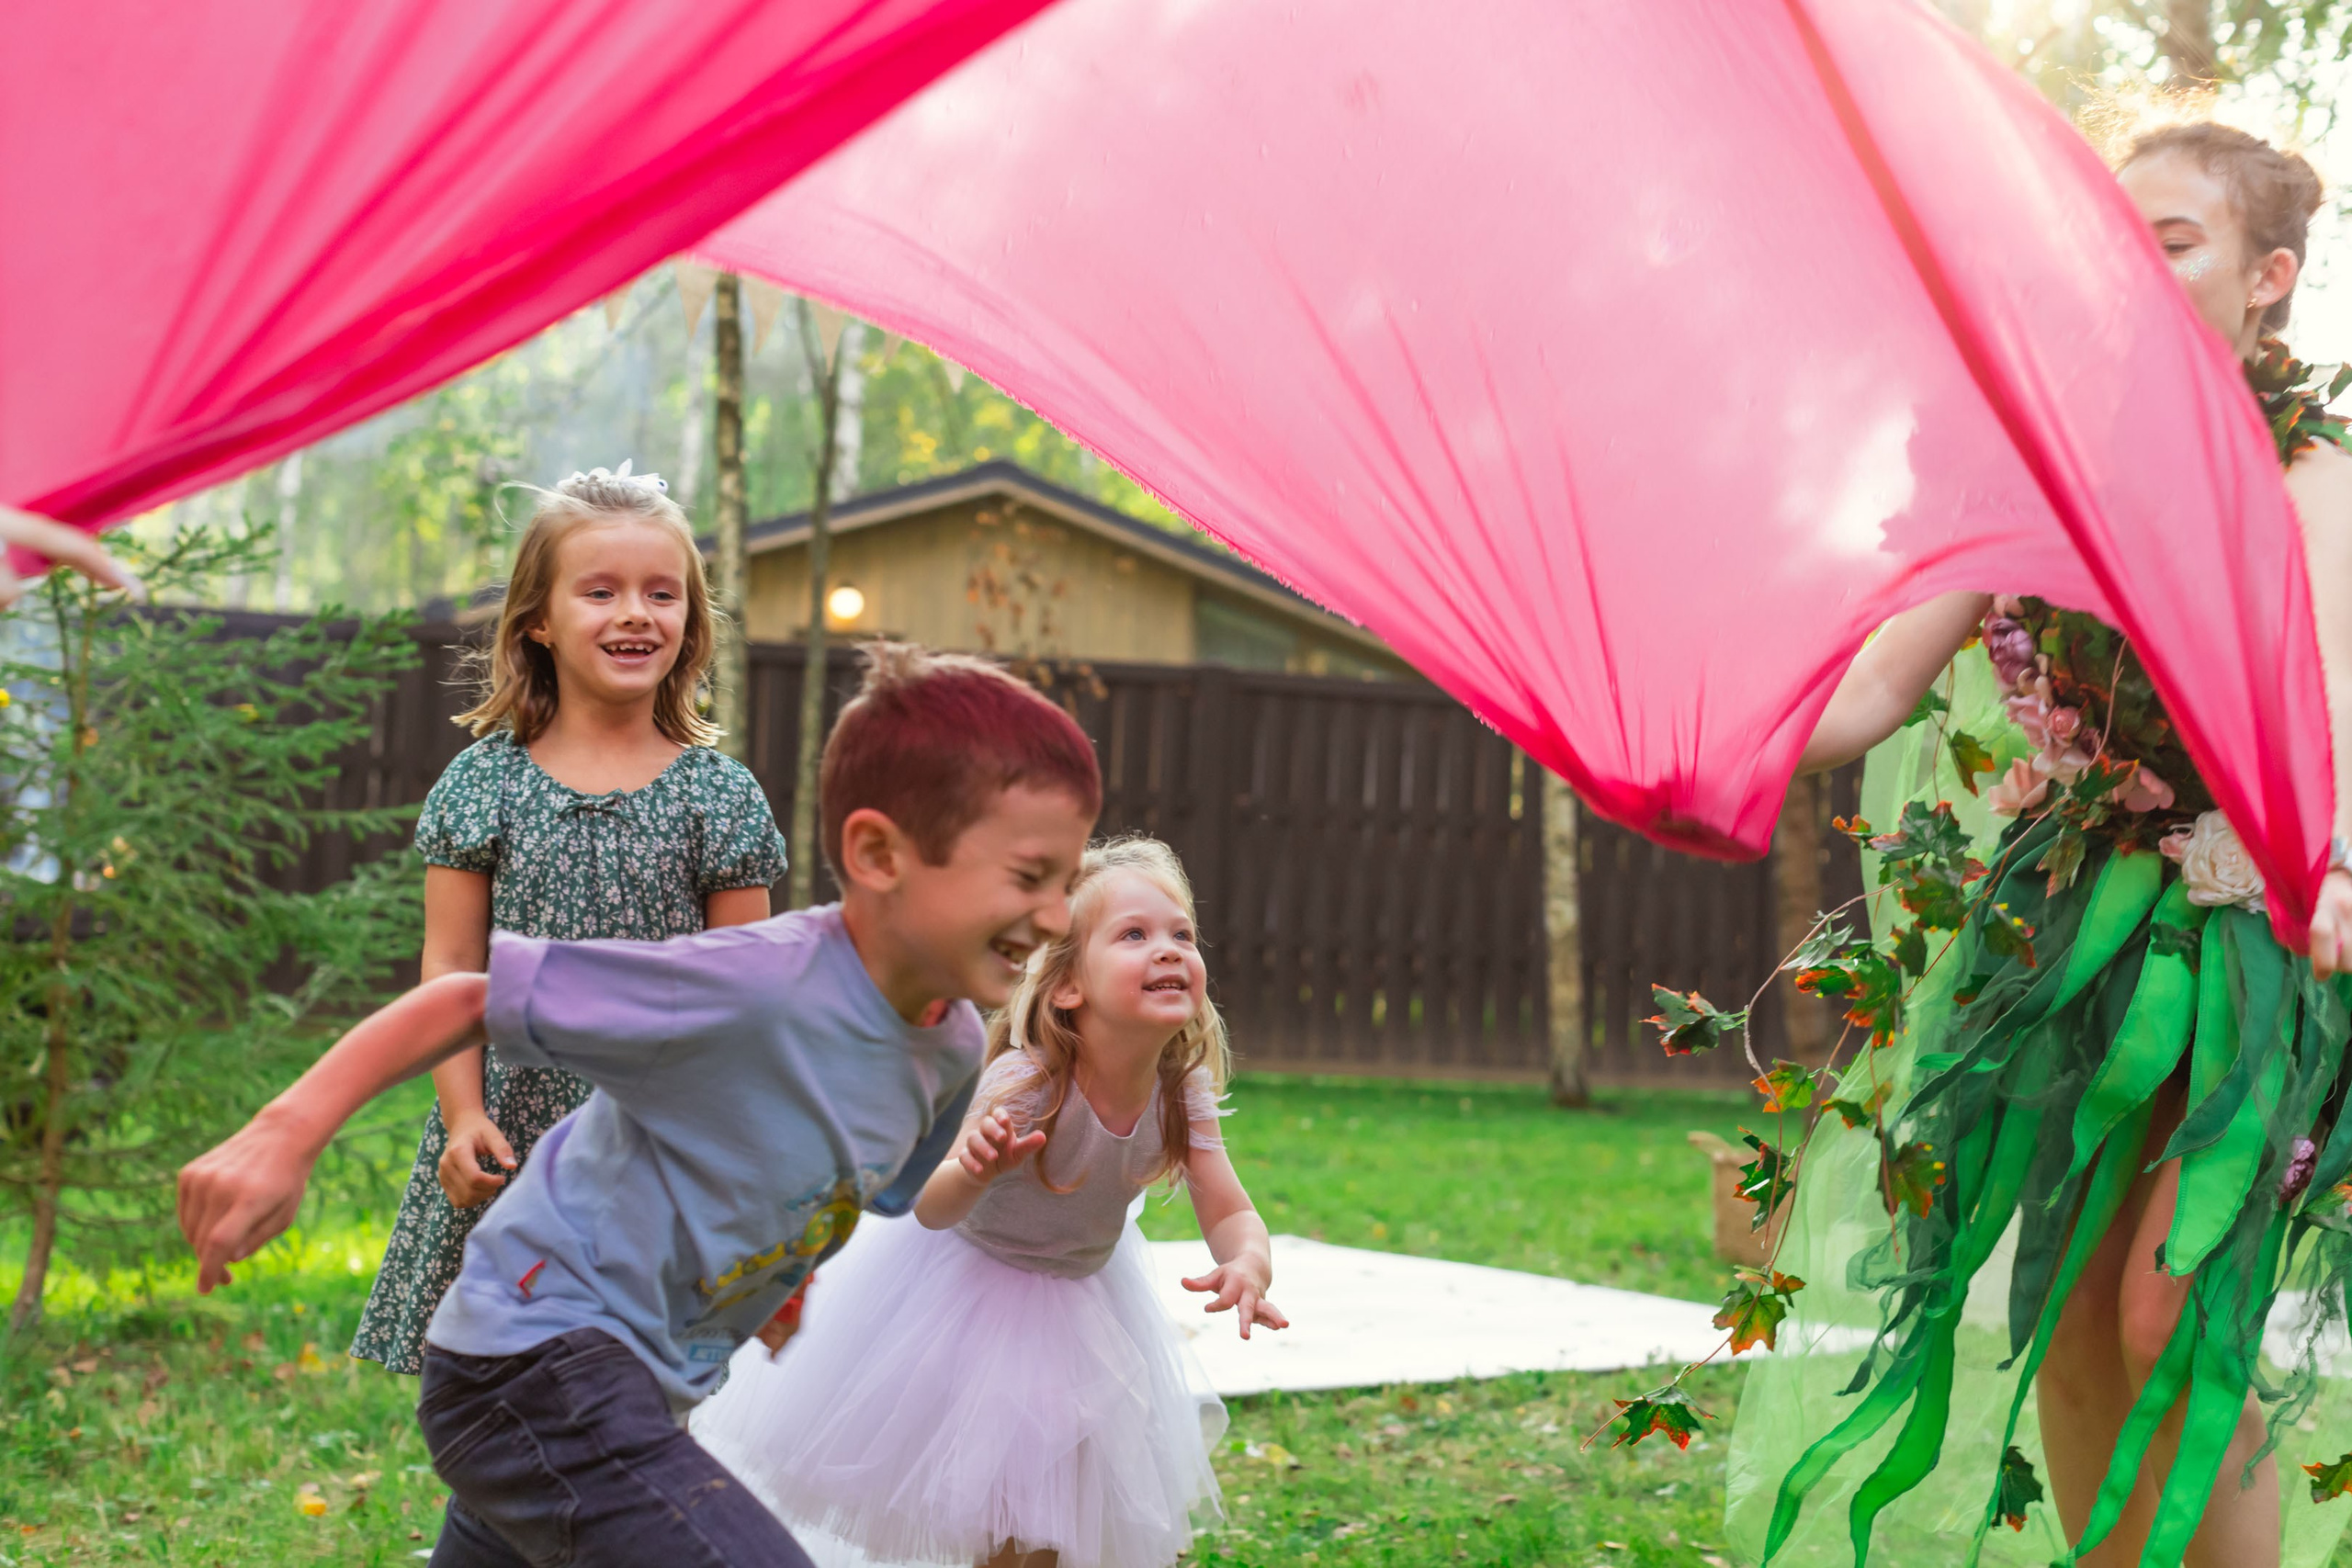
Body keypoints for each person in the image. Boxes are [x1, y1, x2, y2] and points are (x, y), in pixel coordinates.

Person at [1727, 124, 2352, 1568]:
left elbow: (2329, 683)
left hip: (2253, 922)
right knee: (2065, 1309)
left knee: (2168, 1309)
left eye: (2176, 238)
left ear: (2270, 276)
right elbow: (1880, 685)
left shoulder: (2310, 471)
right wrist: (1713, 737)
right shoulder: (2036, 465)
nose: (2130, 263)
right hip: (2071, 919)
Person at [177, 642, 1104, 1568]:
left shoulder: (944, 1054)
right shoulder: (752, 986)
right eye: (1030, 877)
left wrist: (784, 1271)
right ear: (877, 853)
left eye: (1068, 882)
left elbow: (843, 1178)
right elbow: (467, 996)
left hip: (639, 1383)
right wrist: (283, 1133)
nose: (1060, 917)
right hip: (533, 1356)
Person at [693, 837, 1285, 1568]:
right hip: (966, 1298)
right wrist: (973, 1168)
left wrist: (1247, 1261)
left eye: (1181, 934)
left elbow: (1228, 1207)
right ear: (1067, 984)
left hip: (1083, 1305)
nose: (1167, 949)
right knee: (1001, 1526)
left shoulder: (1178, 1087)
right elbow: (932, 1207)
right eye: (1134, 934)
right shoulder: (1029, 1082)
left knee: (1053, 1526)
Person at [351, 464, 786, 1375]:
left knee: (631, 1366)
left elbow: (746, 995)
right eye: (602, 591)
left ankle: (602, 1514)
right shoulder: (487, 783)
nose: (635, 613)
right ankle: (492, 1519)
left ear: (690, 624)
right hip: (513, 1124)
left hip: (656, 1128)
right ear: (538, 623)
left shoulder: (718, 795)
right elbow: (452, 965)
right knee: (502, 1366)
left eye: (660, 594)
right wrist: (464, 1112)